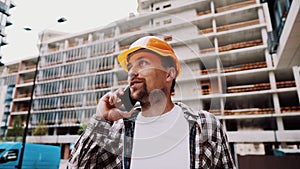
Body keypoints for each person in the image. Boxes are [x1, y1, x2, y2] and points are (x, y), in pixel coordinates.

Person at [67, 36, 236, 169]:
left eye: (142, 63)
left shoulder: (206, 125)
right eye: (130, 67)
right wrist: (101, 118)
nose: (132, 72)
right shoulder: (118, 129)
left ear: (169, 75)